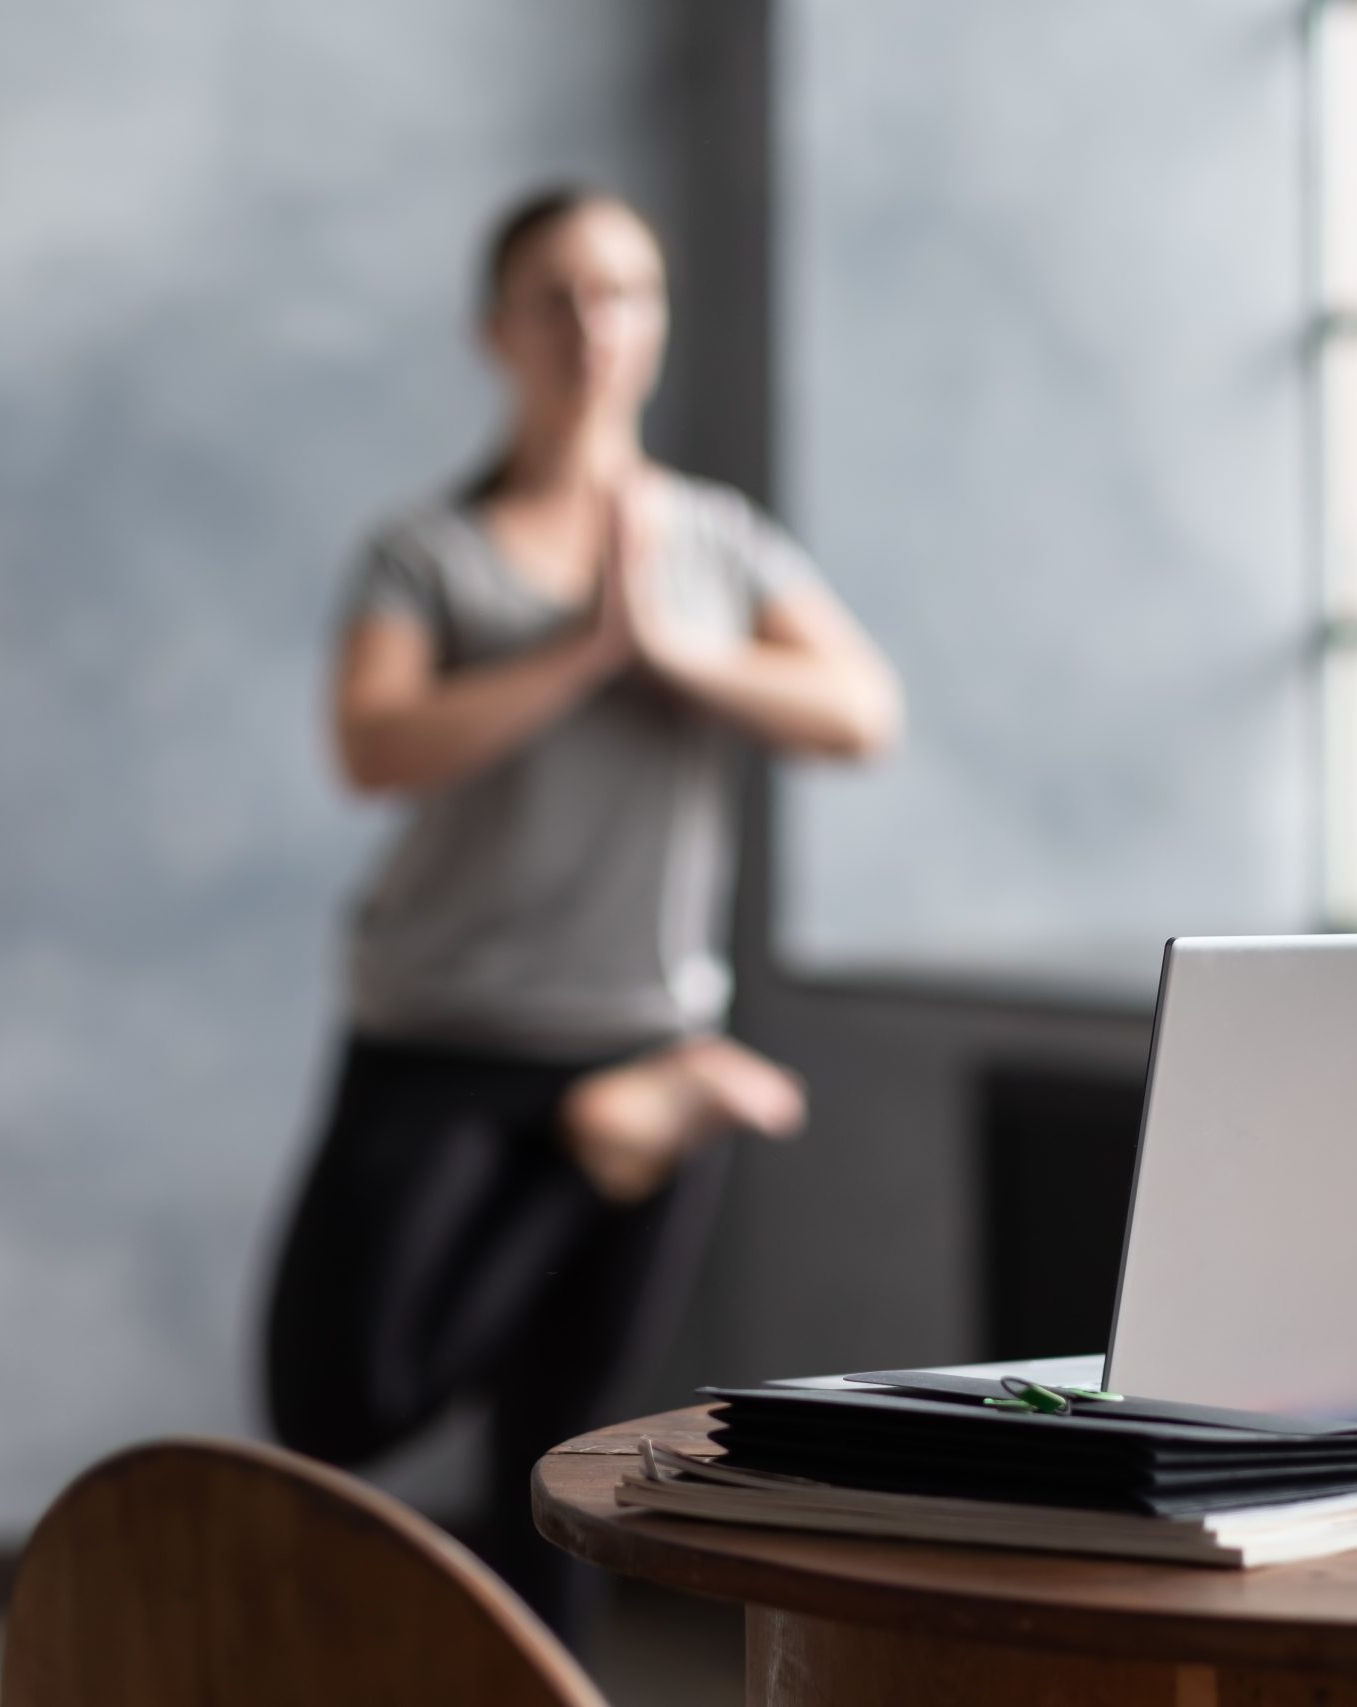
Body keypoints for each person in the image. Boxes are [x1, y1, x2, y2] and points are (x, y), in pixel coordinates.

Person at [263, 185, 900, 1640]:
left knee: (559, 1466)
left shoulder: (720, 544)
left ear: (656, 326)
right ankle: (609, 1143)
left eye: (625, 293)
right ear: (498, 330)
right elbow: (372, 745)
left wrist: (674, 650)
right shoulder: (427, 550)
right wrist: (582, 650)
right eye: (557, 294)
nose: (593, 325)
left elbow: (861, 714)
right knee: (339, 1397)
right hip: (441, 1025)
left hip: (639, 1024)